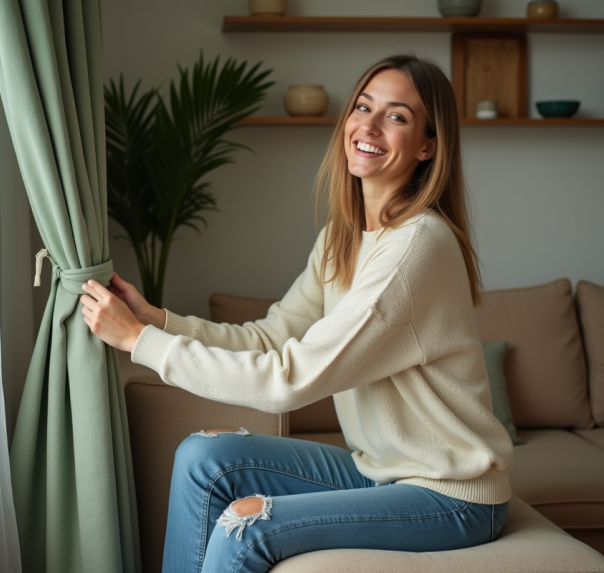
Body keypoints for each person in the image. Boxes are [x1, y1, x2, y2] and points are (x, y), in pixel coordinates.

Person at [80, 54, 514, 573]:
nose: (368, 126)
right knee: (203, 459)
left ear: (428, 145)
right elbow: (271, 337)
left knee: (248, 525)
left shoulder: (417, 247)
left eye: (396, 116)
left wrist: (139, 344)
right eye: (362, 107)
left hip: (451, 497)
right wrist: (157, 321)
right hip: (379, 471)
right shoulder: (343, 236)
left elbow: (290, 379)